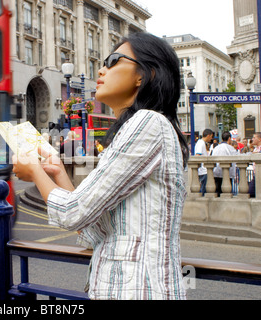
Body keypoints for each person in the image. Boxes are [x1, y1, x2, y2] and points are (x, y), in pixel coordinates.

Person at [12, 32, 189, 300]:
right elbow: (92, 230)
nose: (101, 68)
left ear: (145, 75)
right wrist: (58, 170)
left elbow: (73, 213)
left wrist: (35, 171)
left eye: (114, 60)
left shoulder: (147, 123)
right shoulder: (138, 127)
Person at [212, 131, 238, 196]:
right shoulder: (230, 148)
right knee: (227, 192)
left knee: (217, 191)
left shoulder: (216, 148)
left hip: (216, 172)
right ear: (229, 138)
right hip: (227, 173)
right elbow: (237, 157)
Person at [195, 129, 214, 196]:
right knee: (204, 190)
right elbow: (198, 155)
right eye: (211, 136)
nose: (211, 138)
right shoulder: (201, 143)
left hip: (203, 170)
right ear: (208, 135)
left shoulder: (201, 143)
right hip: (203, 170)